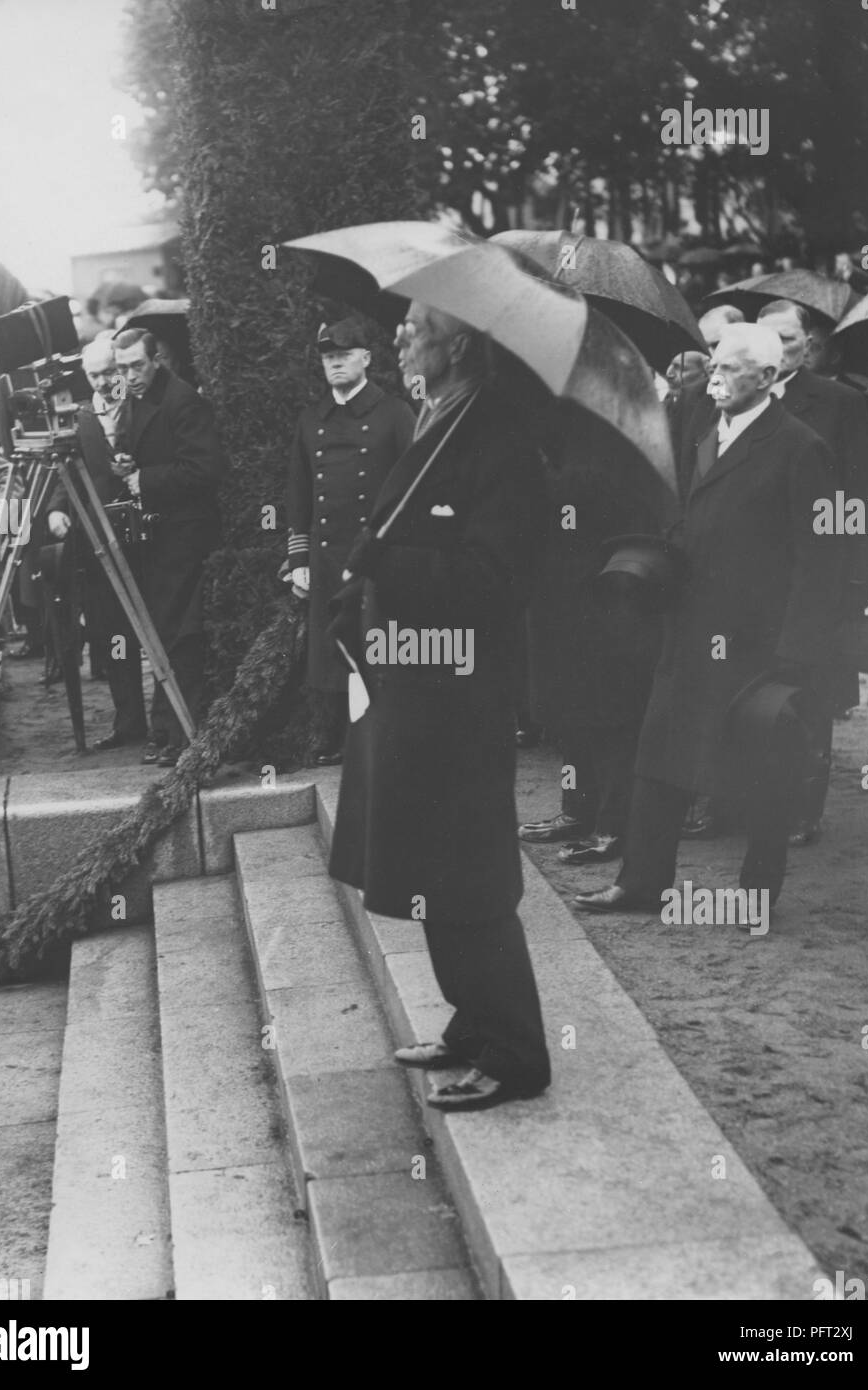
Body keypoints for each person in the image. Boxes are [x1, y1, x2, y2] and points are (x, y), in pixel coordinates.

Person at [327, 301, 551, 1111]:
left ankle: (517, 1050)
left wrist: (393, 561)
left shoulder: (497, 437)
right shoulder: (439, 416)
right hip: (411, 684)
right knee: (424, 860)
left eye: (415, 325)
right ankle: (470, 1023)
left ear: (457, 342)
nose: (396, 335)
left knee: (465, 870)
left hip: (461, 693)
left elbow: (496, 582)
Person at [574, 324, 842, 919]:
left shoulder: (800, 447)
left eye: (733, 367)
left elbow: (817, 559)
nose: (715, 376)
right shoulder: (702, 432)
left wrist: (794, 654)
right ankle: (642, 882)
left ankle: (756, 891)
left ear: (768, 378)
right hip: (688, 626)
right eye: (713, 364)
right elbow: (689, 519)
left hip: (757, 642)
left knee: (760, 763)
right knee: (659, 752)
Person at [756, 299, 868, 842]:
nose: (779, 349)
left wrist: (858, 582)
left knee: (809, 694)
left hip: (818, 580)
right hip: (752, 576)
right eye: (768, 339)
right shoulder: (742, 401)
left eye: (789, 339)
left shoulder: (839, 403)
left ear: (807, 345)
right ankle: (744, 801)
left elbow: (863, 495)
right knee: (751, 687)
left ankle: (803, 809)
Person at [517, 412, 665, 866]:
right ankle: (576, 810)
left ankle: (613, 826)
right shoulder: (553, 436)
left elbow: (634, 525)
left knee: (610, 721)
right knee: (570, 718)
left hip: (605, 604)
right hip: (556, 605)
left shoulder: (618, 445)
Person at [287, 318, 415, 764]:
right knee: (334, 644)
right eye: (327, 356)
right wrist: (298, 556)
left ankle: (383, 733)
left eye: (343, 354)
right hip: (326, 553)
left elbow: (415, 484)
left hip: (378, 551)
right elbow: (298, 491)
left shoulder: (395, 413)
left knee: (379, 640)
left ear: (366, 358)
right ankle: (340, 735)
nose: (335, 362)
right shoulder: (311, 419)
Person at [112, 327, 227, 766]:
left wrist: (147, 479)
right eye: (122, 369)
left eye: (136, 366)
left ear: (156, 359)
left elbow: (206, 470)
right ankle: (166, 732)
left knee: (181, 635)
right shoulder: (138, 399)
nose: (130, 376)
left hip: (185, 534)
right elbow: (150, 451)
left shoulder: (183, 400)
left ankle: (179, 734)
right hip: (160, 537)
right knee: (162, 632)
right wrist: (128, 462)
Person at [48, 337, 147, 750]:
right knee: (113, 634)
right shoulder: (81, 415)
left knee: (156, 626)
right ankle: (130, 723)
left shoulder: (142, 406)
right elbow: (66, 471)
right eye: (95, 375)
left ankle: (171, 719)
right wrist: (57, 508)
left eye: (111, 372)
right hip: (99, 543)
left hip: (146, 538)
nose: (105, 381)